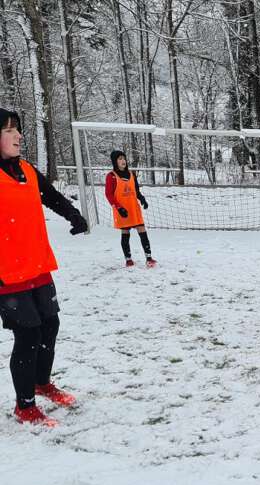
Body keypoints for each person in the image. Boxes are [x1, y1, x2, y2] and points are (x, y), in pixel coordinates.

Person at [0, 108, 90, 427]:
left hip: (37, 265)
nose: (17, 135)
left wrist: (74, 216)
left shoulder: (26, 169)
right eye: (9, 130)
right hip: (7, 273)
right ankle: (25, 406)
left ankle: (41, 382)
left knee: (49, 326)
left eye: (18, 129)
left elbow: (50, 197)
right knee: (28, 334)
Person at [105, 149, 156, 267]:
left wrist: (142, 199)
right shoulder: (111, 176)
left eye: (124, 158)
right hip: (122, 209)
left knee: (142, 230)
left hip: (134, 208)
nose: (123, 161)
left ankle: (149, 258)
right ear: (115, 161)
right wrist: (118, 208)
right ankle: (128, 259)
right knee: (125, 232)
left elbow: (136, 190)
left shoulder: (132, 174)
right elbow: (109, 195)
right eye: (120, 159)